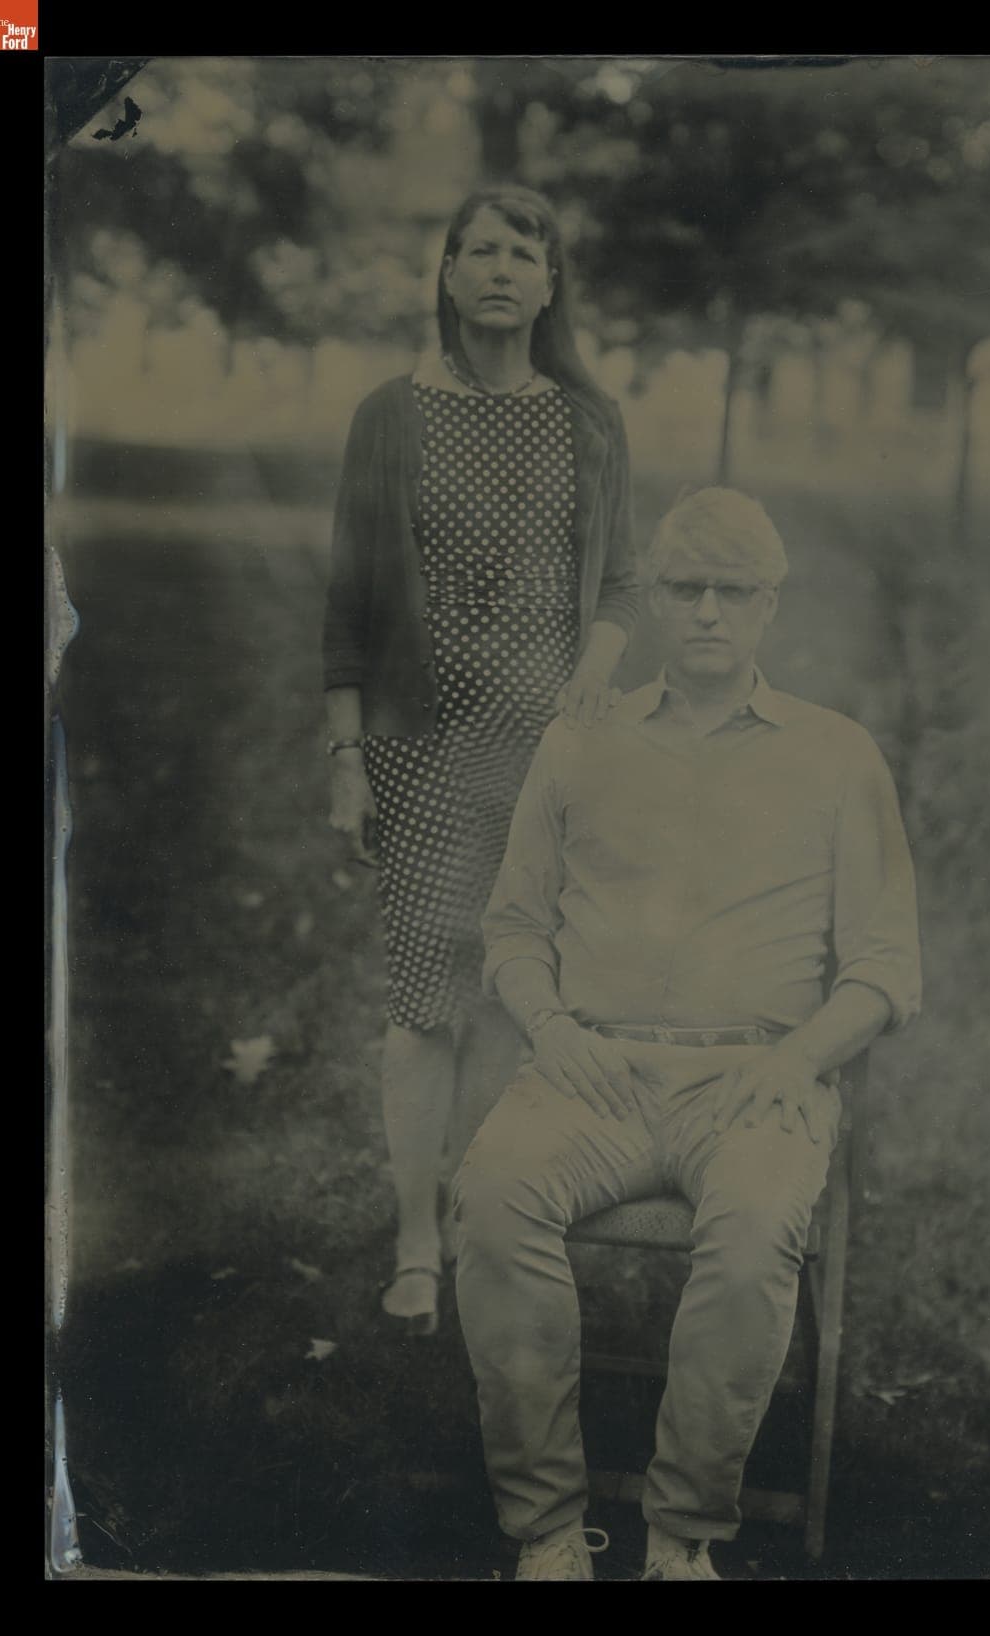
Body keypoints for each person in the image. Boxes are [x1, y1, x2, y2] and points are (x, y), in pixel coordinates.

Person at [453, 487, 922, 1580]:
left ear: (770, 606)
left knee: (758, 1224)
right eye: (685, 589)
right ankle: (550, 1530)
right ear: (654, 602)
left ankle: (681, 1536)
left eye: (734, 591)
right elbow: (513, 926)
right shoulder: (582, 738)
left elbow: (886, 967)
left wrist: (799, 1057)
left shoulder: (836, 753)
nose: (709, 611)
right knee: (492, 1191)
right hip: (591, 1067)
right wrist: (550, 1024)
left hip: (755, 1077)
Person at [323, 186, 640, 1336]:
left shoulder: (588, 424)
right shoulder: (389, 418)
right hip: (419, 750)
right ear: (448, 277)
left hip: (542, 758)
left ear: (551, 284)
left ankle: (482, 1222)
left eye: (526, 251)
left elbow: (615, 584)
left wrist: (595, 670)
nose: (502, 268)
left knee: (513, 997)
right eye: (480, 250)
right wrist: (346, 754)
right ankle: (415, 1239)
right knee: (423, 1004)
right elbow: (349, 602)